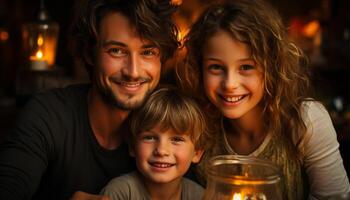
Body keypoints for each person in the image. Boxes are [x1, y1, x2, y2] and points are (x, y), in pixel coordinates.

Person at [0, 0, 179, 199]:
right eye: (116, 51)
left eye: (148, 52)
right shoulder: (49, 115)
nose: (133, 72)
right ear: (89, 54)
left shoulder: (173, 122)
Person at [176, 0, 350, 199]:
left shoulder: (306, 121)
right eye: (216, 67)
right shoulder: (199, 125)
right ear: (199, 69)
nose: (230, 83)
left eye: (246, 67)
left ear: (271, 68)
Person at [100, 87, 208, 200]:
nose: (161, 150)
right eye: (149, 138)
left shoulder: (201, 196)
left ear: (197, 152)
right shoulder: (119, 193)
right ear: (132, 146)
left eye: (176, 139)